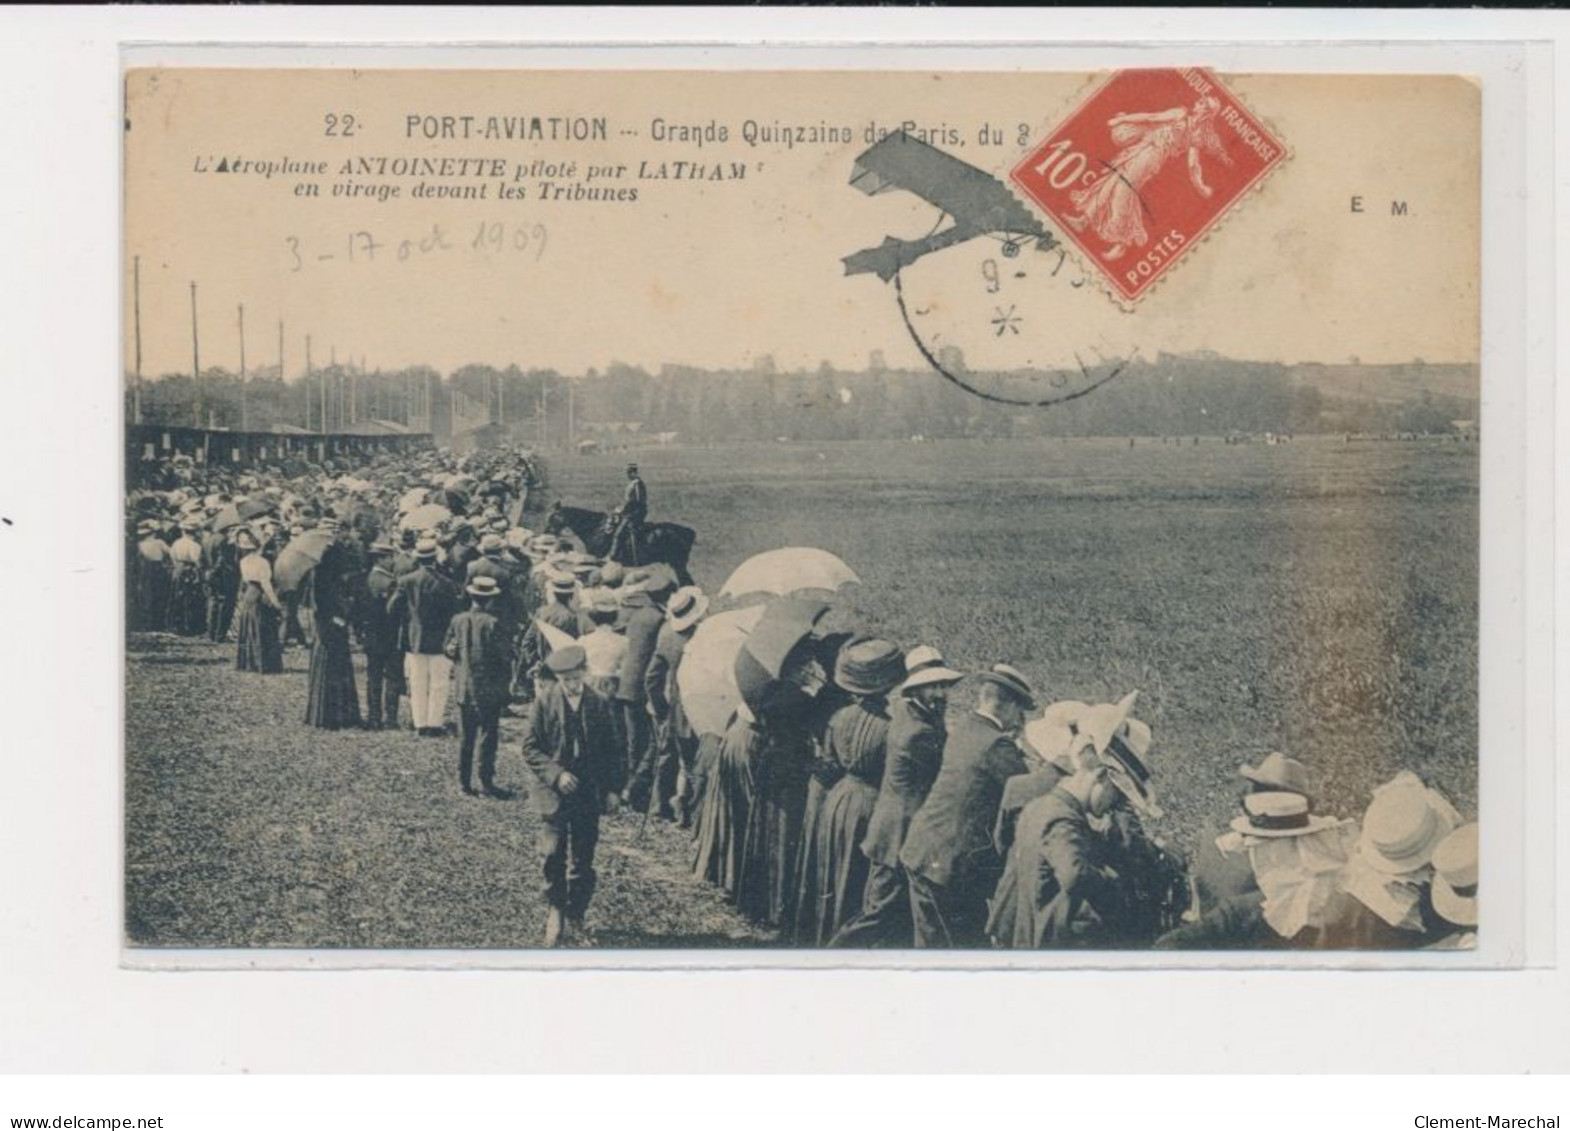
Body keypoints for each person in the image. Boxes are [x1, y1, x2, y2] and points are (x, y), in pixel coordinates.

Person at [830, 647, 964, 948]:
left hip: (890, 827)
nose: (942, 694)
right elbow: (945, 771)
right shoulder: (918, 733)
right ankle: (831, 955)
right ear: (916, 688)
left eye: (944, 686)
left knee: (887, 909)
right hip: (898, 834)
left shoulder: (907, 711)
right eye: (934, 687)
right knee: (879, 912)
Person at [900, 663, 1036, 948]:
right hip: (948, 866)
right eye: (1020, 709)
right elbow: (1029, 793)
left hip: (923, 851)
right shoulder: (998, 745)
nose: (1020, 718)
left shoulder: (965, 727)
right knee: (964, 949)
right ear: (1007, 705)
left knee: (930, 946)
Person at [795, 639, 903, 947]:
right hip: (868, 802)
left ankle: (823, 930)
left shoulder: (838, 718)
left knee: (832, 868)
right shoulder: (889, 727)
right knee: (856, 874)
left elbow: (829, 762)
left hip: (838, 799)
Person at [519, 645, 625, 946]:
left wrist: (614, 789)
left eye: (577, 678)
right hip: (554, 793)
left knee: (582, 857)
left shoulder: (600, 704)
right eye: (566, 680)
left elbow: (613, 751)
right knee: (552, 853)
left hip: (587, 793)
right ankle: (555, 909)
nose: (573, 685)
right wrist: (556, 774)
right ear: (558, 679)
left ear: (585, 673)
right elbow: (530, 748)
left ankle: (576, 914)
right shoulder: (544, 702)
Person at [644, 585, 708, 826]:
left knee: (678, 760)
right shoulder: (704, 637)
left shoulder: (667, 636)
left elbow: (651, 678)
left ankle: (670, 808)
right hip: (702, 706)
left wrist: (661, 710)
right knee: (698, 763)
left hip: (677, 709)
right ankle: (692, 811)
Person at [445, 575, 514, 799]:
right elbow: (504, 657)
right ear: (490, 600)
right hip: (488, 688)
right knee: (487, 735)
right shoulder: (493, 624)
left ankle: (464, 782)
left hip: (464, 686)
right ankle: (486, 781)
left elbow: (448, 648)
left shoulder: (458, 620)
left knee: (466, 736)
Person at [388, 535, 461, 737]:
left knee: (417, 682)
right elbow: (455, 612)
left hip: (414, 638)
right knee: (439, 683)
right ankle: (434, 723)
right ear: (435, 558)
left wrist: (408, 619)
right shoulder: (447, 584)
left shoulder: (406, 581)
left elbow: (392, 608)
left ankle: (419, 722)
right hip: (440, 639)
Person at [618, 569, 674, 812]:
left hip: (627, 683)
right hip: (644, 687)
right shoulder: (661, 621)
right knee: (652, 743)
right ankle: (635, 790)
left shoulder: (639, 615)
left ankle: (630, 789)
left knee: (634, 742)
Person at [691, 706, 762, 898]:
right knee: (742, 813)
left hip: (736, 737)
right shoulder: (767, 694)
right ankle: (734, 879)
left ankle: (722, 874)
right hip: (748, 742)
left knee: (729, 812)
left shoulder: (751, 687)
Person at [304, 528, 362, 730]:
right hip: (331, 624)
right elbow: (331, 603)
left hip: (324, 625)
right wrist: (343, 614)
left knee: (328, 666)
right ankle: (336, 715)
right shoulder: (328, 580)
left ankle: (324, 714)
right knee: (336, 668)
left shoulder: (317, 574)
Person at [359, 541, 404, 729]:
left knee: (373, 677)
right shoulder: (392, 583)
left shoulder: (364, 579)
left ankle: (374, 715)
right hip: (390, 636)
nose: (393, 561)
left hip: (371, 635)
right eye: (390, 557)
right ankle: (391, 717)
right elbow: (396, 612)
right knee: (393, 676)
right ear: (381, 558)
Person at [232, 527, 283, 674]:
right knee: (261, 627)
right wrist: (275, 602)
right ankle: (263, 662)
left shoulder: (243, 561)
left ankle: (248, 661)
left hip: (249, 593)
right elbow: (266, 584)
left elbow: (244, 581)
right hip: (260, 594)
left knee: (249, 626)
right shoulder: (262, 562)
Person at [167, 519, 207, 636]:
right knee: (190, 598)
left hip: (178, 569)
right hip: (189, 571)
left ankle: (176, 625)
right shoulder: (195, 545)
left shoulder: (176, 543)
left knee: (177, 596)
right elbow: (197, 561)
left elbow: (172, 557)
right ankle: (189, 626)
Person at [132, 519, 172, 632]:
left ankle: (146, 624)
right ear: (153, 532)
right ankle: (158, 623)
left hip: (145, 569)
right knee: (160, 596)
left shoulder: (139, 545)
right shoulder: (159, 542)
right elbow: (170, 552)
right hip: (158, 569)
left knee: (146, 595)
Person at [609, 462, 648, 565]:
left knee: (619, 533)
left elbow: (636, 501)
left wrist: (623, 510)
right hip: (631, 511)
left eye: (628, 473)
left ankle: (613, 557)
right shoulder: (634, 483)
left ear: (632, 473)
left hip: (636, 513)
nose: (627, 475)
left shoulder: (637, 484)